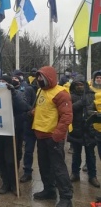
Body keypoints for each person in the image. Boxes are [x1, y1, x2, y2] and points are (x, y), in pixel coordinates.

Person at [32, 66, 73, 207]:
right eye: (37, 77)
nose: (38, 79)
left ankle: (66, 197)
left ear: (48, 78)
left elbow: (67, 116)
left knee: (58, 168)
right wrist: (32, 113)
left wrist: (57, 136)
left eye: (41, 77)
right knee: (44, 166)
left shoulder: (61, 93)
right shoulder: (40, 91)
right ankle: (49, 190)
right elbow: (43, 108)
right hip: (41, 135)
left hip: (53, 137)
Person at [0, 75, 30, 195]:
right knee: (1, 159)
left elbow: (24, 107)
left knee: (11, 160)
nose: (1, 83)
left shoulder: (18, 94)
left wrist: (13, 93)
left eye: (4, 82)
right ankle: (5, 183)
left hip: (12, 132)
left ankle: (14, 184)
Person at [68, 74, 99, 188]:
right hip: (76, 129)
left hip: (89, 129)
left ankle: (92, 176)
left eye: (81, 84)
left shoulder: (91, 95)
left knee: (90, 155)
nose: (79, 86)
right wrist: (81, 103)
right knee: (76, 154)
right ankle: (75, 173)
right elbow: (69, 109)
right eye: (77, 85)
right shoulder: (71, 96)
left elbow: (95, 108)